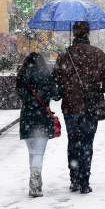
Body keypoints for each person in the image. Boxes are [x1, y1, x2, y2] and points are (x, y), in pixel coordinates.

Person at [54, 21, 105, 194]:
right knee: (87, 142)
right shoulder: (97, 54)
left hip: (70, 106)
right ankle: (84, 181)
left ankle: (74, 178)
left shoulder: (65, 55)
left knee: (73, 142)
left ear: (74, 34)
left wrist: (59, 92)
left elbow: (56, 81)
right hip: (91, 106)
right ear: (88, 33)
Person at [16, 52, 62, 198]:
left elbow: (21, 94)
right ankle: (35, 183)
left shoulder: (22, 75)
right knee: (38, 154)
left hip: (27, 118)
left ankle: (35, 181)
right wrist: (56, 80)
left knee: (32, 153)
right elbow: (56, 95)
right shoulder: (46, 76)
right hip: (42, 117)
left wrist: (31, 101)